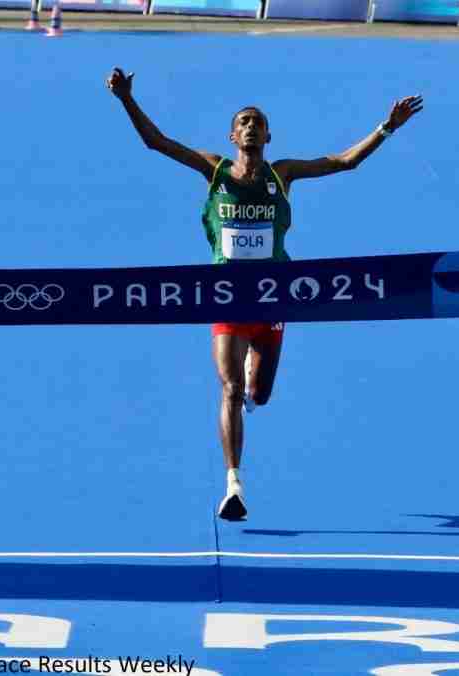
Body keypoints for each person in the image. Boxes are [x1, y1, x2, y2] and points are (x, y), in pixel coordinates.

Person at [107, 67, 423, 521]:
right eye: (244, 121)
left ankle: (257, 376)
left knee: (260, 392)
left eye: (258, 121)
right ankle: (233, 483)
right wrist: (126, 99)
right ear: (233, 135)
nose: (251, 125)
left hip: (274, 298)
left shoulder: (284, 173)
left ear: (269, 135)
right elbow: (158, 142)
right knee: (231, 388)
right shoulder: (213, 169)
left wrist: (386, 127)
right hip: (229, 297)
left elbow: (343, 161)